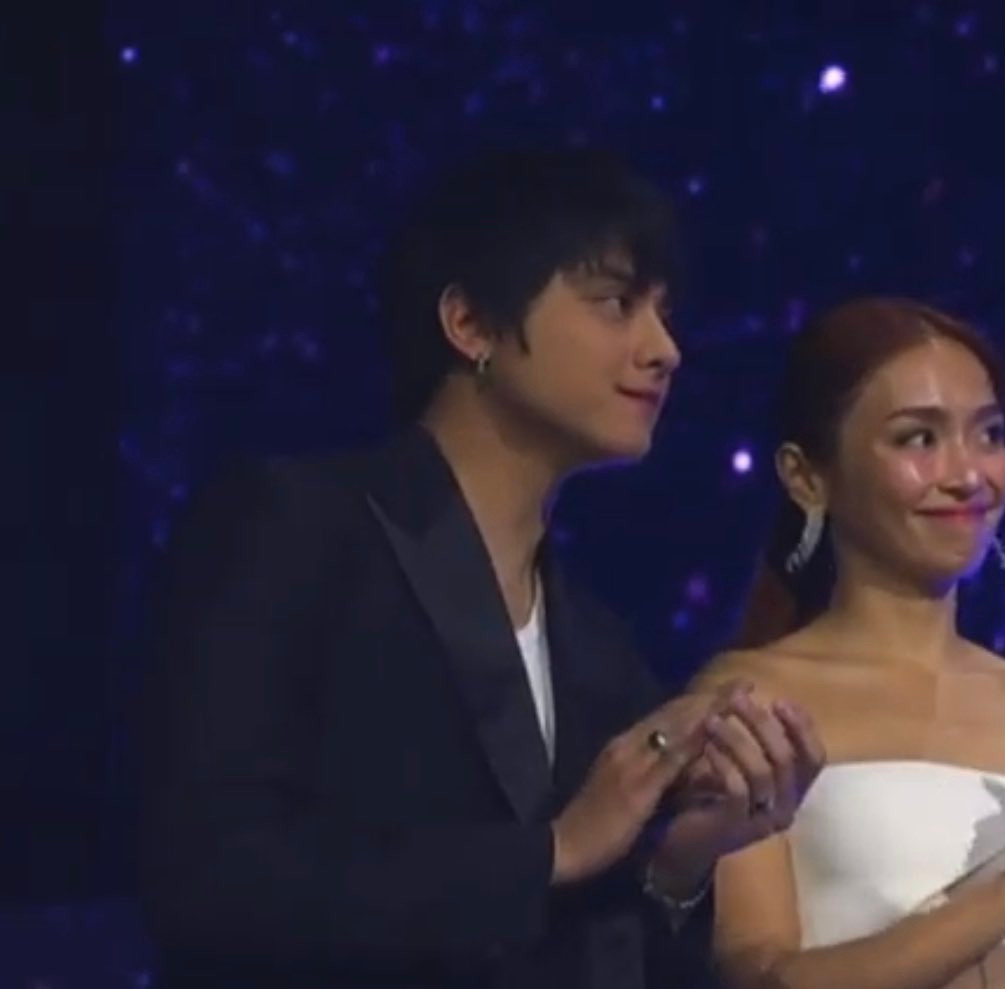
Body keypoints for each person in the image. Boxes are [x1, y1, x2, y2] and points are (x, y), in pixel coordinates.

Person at [138, 147, 824, 989]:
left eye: (664, 313)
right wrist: (551, 850)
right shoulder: (295, 527)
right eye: (616, 304)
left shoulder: (598, 649)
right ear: (469, 323)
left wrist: (683, 860)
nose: (665, 349)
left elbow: (603, 943)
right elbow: (210, 881)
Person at [690, 297, 1005, 989]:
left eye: (988, 435)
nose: (968, 475)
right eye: (918, 439)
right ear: (806, 476)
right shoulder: (751, 703)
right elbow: (756, 977)